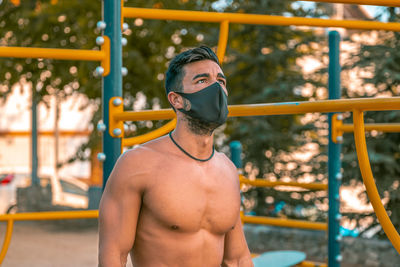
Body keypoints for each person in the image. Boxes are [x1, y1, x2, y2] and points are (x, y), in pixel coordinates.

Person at [98, 46, 253, 267]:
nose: (216, 88)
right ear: (177, 100)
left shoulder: (227, 170)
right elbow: (114, 256)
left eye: (221, 81)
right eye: (202, 80)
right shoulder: (138, 164)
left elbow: (238, 259)